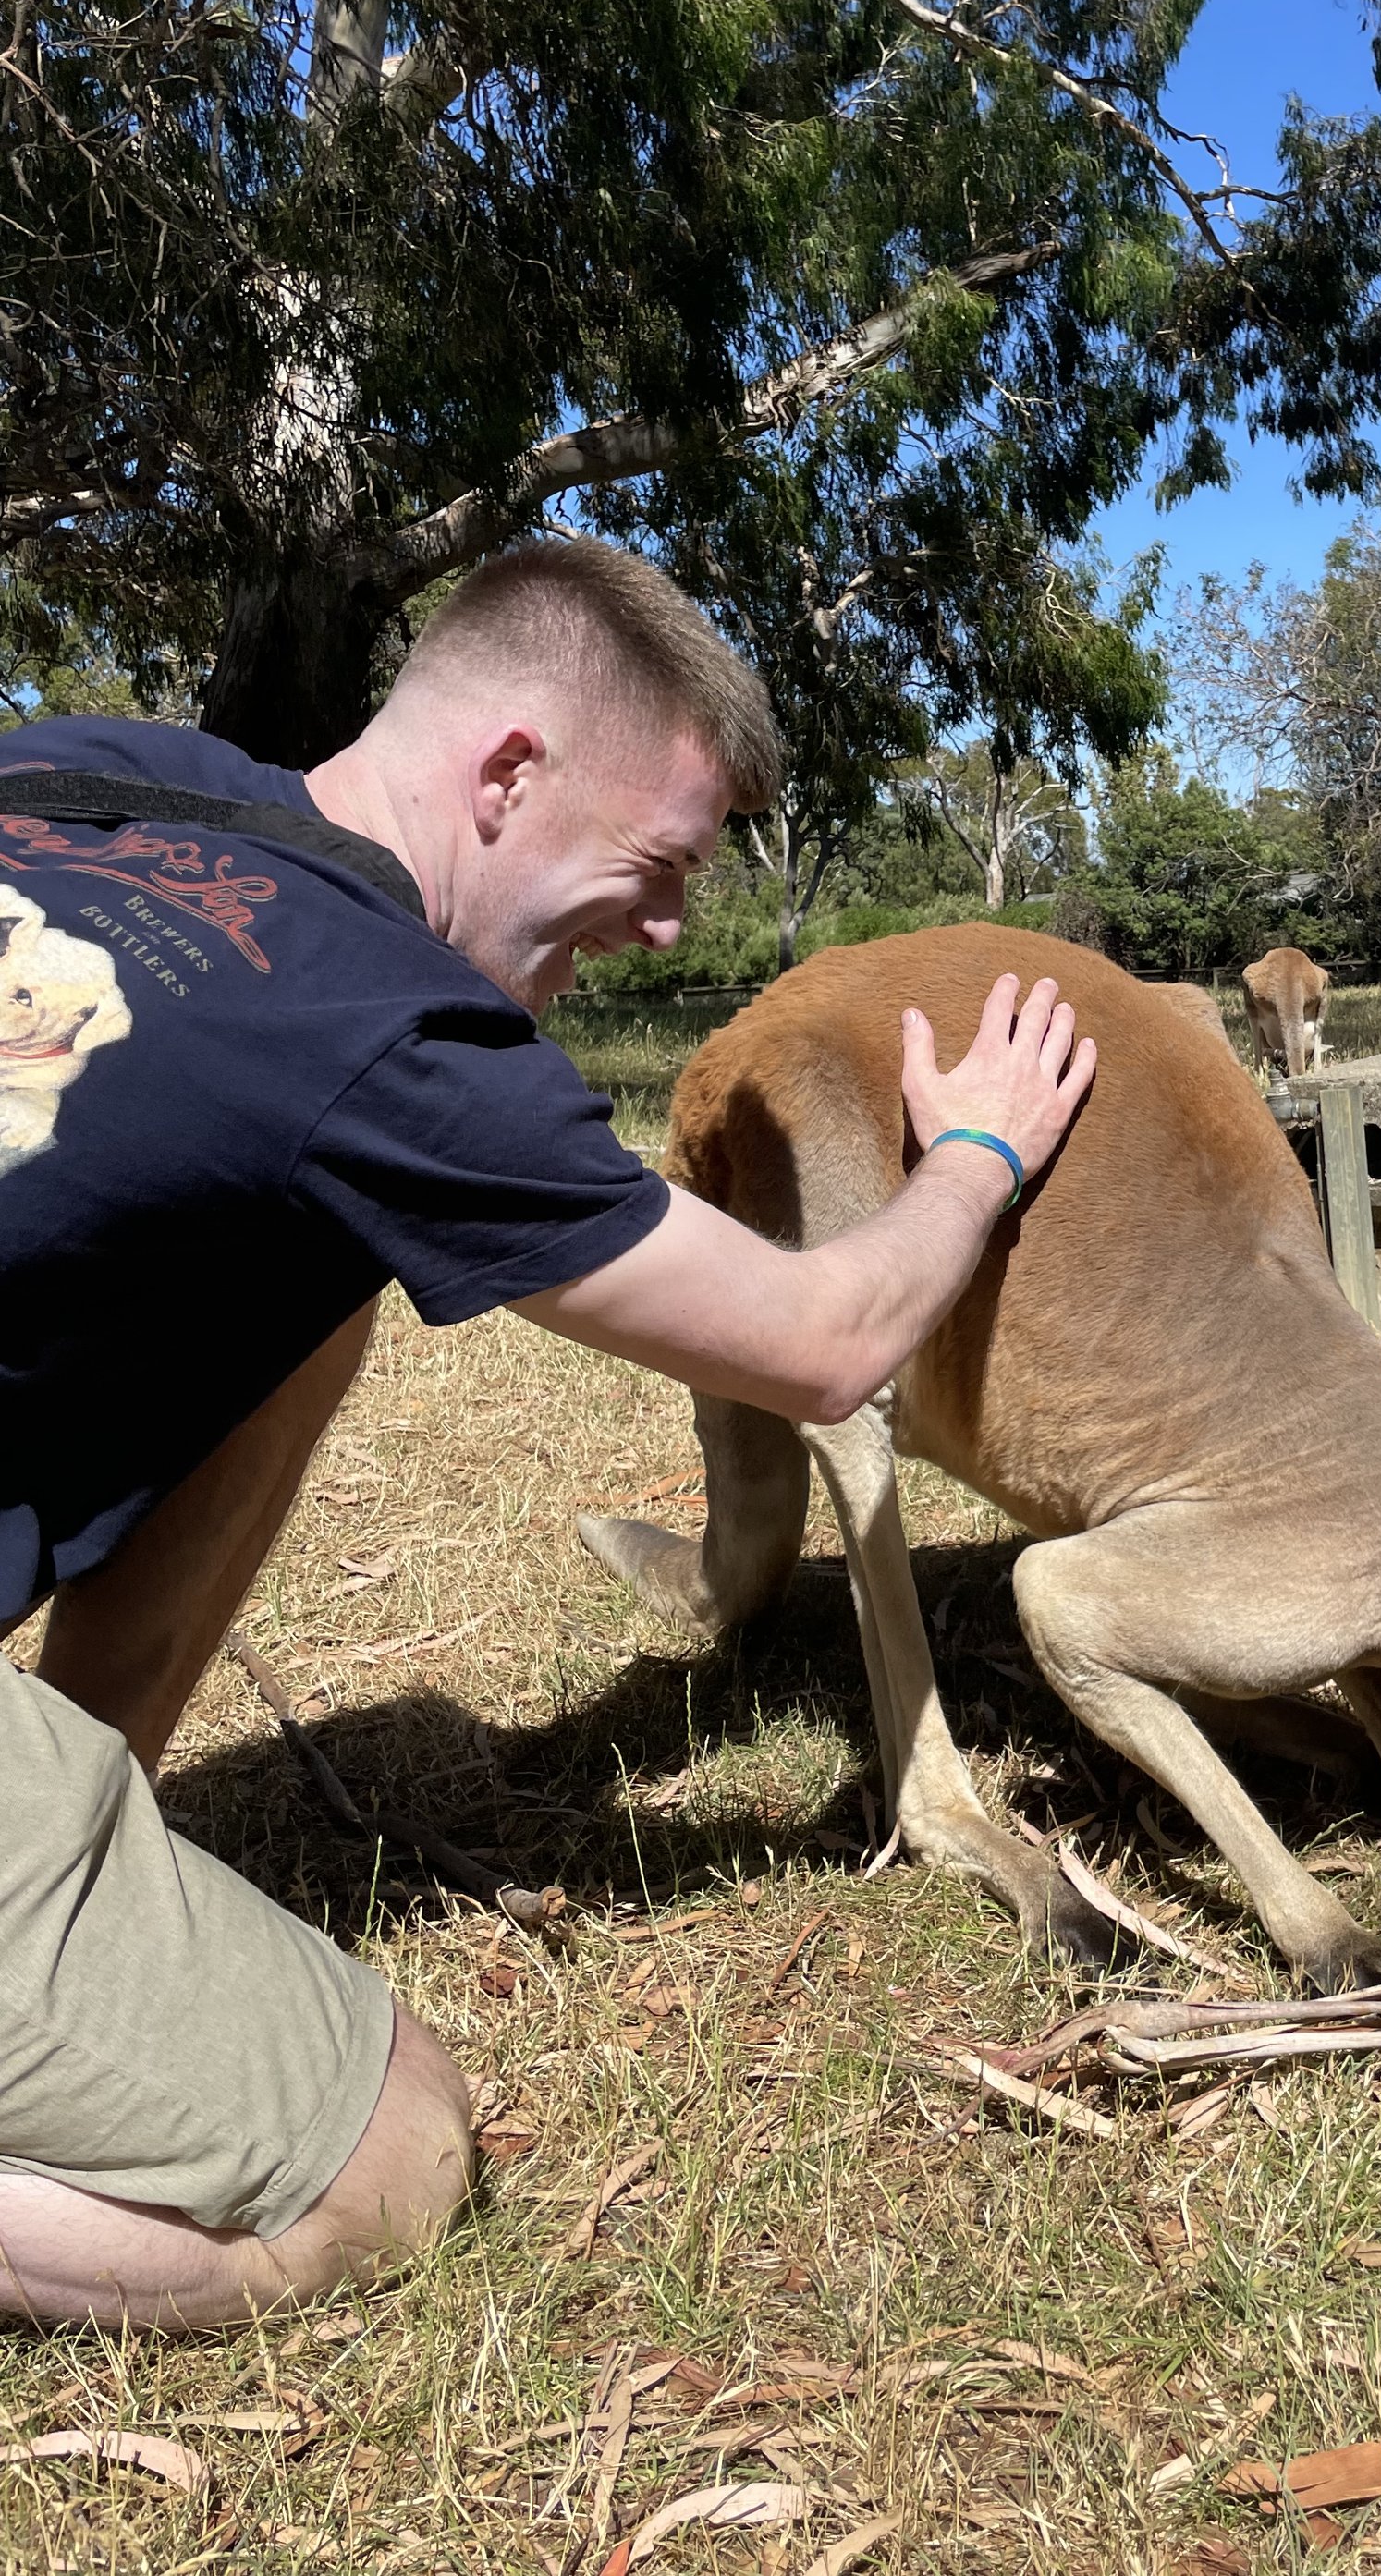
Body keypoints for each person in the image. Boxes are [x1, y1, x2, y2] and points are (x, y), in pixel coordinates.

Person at [0, 539, 1097, 2337]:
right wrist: (974, 1151)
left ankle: (74, 1800)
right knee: (385, 2165)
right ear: (507, 775)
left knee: (314, 1281)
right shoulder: (376, 1026)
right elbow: (825, 1346)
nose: (670, 928)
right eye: (658, 864)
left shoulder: (79, 762)